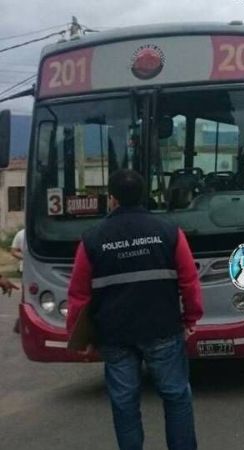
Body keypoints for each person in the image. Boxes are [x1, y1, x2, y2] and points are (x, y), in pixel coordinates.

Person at [67, 169, 203, 450]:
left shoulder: (92, 239)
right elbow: (189, 280)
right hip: (162, 328)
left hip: (115, 334)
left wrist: (78, 336)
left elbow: (79, 294)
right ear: (143, 195)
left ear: (112, 199)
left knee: (124, 402)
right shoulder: (168, 232)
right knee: (176, 395)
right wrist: (191, 318)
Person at [10, 228, 24, 333]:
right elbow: (13, 251)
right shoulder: (21, 233)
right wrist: (25, 257)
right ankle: (22, 322)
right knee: (26, 296)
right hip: (26, 269)